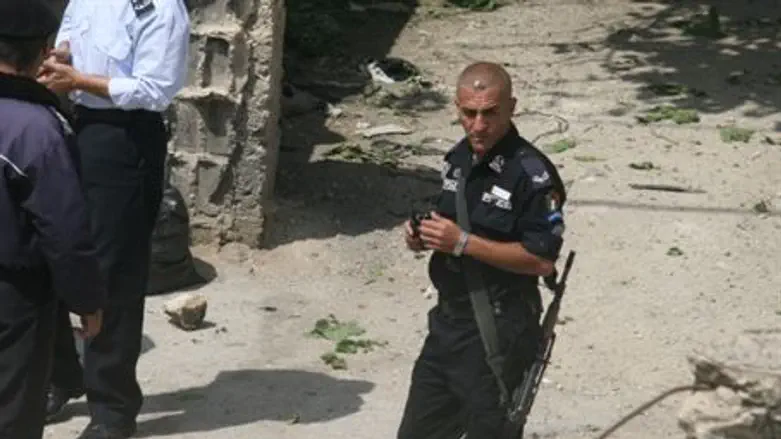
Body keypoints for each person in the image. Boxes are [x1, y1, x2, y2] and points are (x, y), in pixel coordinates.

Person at [37, 0, 190, 437]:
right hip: (74, 123)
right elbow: (69, 45)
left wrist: (79, 79)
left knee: (112, 272)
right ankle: (61, 374)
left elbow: (155, 88)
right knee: (52, 250)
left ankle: (112, 409)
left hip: (125, 136)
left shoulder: (160, 8)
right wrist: (60, 61)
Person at [397, 61, 568, 439]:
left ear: (511, 107)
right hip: (447, 326)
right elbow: (447, 218)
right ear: (457, 109)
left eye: (490, 113)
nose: (478, 125)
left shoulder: (532, 175)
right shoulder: (459, 159)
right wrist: (421, 235)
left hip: (498, 331)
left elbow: (541, 260)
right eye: (469, 113)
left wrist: (463, 243)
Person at [0, 0, 107, 437]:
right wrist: (87, 302)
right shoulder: (38, 130)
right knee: (14, 409)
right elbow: (64, 232)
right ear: (45, 52)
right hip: (15, 298)